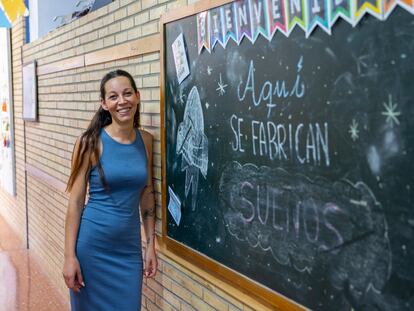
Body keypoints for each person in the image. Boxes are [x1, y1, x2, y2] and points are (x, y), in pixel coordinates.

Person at [63, 69, 157, 310]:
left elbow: (147, 196)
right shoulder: (89, 142)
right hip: (92, 249)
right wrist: (69, 257)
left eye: (127, 94)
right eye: (113, 97)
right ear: (104, 104)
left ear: (137, 96)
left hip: (128, 251)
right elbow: (75, 203)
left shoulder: (146, 141)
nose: (122, 101)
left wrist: (150, 245)